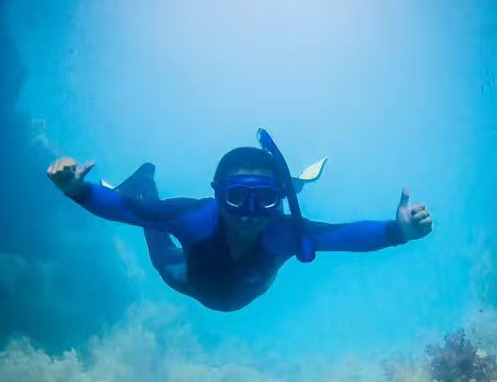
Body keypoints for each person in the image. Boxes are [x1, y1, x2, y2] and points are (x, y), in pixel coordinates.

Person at [46, 130, 433, 312]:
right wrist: (76, 190)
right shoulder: (195, 217)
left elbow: (345, 236)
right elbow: (128, 211)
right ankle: (144, 182)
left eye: (264, 199)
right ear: (217, 194)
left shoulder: (286, 232)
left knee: (156, 222)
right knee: (155, 229)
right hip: (186, 279)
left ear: (278, 202)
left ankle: (291, 183)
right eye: (235, 197)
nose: (248, 211)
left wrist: (399, 231)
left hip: (223, 284)